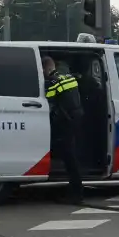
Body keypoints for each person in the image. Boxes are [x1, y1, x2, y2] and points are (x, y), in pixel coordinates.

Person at [43, 55, 84, 203]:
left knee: (70, 158)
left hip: (66, 122)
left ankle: (77, 194)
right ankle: (74, 189)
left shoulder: (53, 82)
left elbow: (47, 101)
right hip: (76, 118)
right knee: (71, 155)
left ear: (45, 68)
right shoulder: (68, 77)